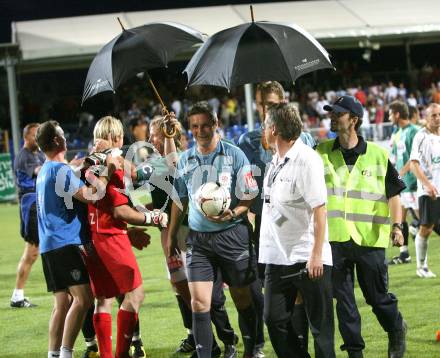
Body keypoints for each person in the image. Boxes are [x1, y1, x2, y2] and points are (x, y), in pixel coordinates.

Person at [317, 96, 407, 358]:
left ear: (353, 120)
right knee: (344, 303)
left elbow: (394, 194)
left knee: (377, 298)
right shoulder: (320, 152)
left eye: (338, 114)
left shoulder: (378, 155)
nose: (332, 117)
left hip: (370, 239)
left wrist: (398, 226)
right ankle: (355, 352)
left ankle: (395, 328)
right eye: (331, 113)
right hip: (334, 239)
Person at [167, 102, 259, 358]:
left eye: (205, 125)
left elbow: (250, 193)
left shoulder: (234, 154)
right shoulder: (185, 160)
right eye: (195, 126)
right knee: (199, 302)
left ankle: (252, 348)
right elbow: (180, 200)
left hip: (232, 234)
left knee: (241, 297)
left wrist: (236, 212)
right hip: (198, 240)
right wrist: (172, 234)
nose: (201, 131)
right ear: (189, 128)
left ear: (216, 123)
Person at [146, 115, 239, 358]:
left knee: (206, 294)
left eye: (154, 134)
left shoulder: (184, 160)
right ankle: (203, 341)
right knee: (182, 290)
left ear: (168, 135)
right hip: (170, 236)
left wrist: (172, 234)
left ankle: (227, 338)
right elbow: (160, 201)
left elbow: (175, 174)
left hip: (188, 235)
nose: (148, 138)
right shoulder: (155, 165)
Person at [238, 81, 314, 352]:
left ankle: (301, 346)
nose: (264, 109)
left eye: (270, 104)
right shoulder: (246, 142)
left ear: (282, 102)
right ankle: (260, 345)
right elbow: (244, 189)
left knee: (296, 296)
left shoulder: (302, 140)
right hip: (263, 227)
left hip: (295, 227)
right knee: (264, 292)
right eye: (261, 104)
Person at [85, 116, 167, 358]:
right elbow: (120, 210)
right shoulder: (112, 165)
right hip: (110, 238)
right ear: (118, 137)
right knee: (135, 295)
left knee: (103, 300)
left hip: (92, 237)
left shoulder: (89, 162)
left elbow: (133, 175)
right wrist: (153, 218)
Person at [35, 120, 117, 358]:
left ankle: (53, 354)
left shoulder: (46, 171)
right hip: (65, 243)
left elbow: (69, 174)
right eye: (62, 133)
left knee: (61, 303)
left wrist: (87, 161)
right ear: (58, 140)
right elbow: (92, 196)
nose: (65, 136)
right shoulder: (60, 171)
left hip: (48, 245)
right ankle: (66, 353)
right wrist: (108, 169)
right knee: (83, 298)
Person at [260, 103, 335, 358]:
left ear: (274, 130)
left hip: (306, 255)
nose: (263, 129)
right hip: (278, 257)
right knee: (274, 318)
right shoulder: (275, 160)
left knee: (321, 330)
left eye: (265, 125)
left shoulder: (306, 160)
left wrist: (316, 254)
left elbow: (320, 209)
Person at [11, 123, 45, 308]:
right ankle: (17, 296)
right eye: (35, 135)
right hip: (29, 206)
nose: (38, 138)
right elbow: (40, 171)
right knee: (31, 252)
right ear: (26, 137)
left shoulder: (37, 153)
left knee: (35, 252)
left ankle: (18, 295)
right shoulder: (24, 156)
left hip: (37, 204)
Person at [410, 103, 440, 278]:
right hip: (429, 191)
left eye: (439, 114)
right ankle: (421, 266)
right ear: (427, 118)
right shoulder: (421, 137)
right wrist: (427, 185)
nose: (437, 118)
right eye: (433, 115)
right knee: (426, 228)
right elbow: (414, 164)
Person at [388, 101, 419, 264]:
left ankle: (417, 227)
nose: (389, 116)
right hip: (402, 185)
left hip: (414, 183)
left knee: (429, 222)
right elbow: (393, 157)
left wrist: (400, 173)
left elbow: (415, 157)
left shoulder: (415, 131)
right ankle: (404, 253)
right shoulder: (397, 133)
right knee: (400, 220)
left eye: (390, 113)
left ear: (397, 114)